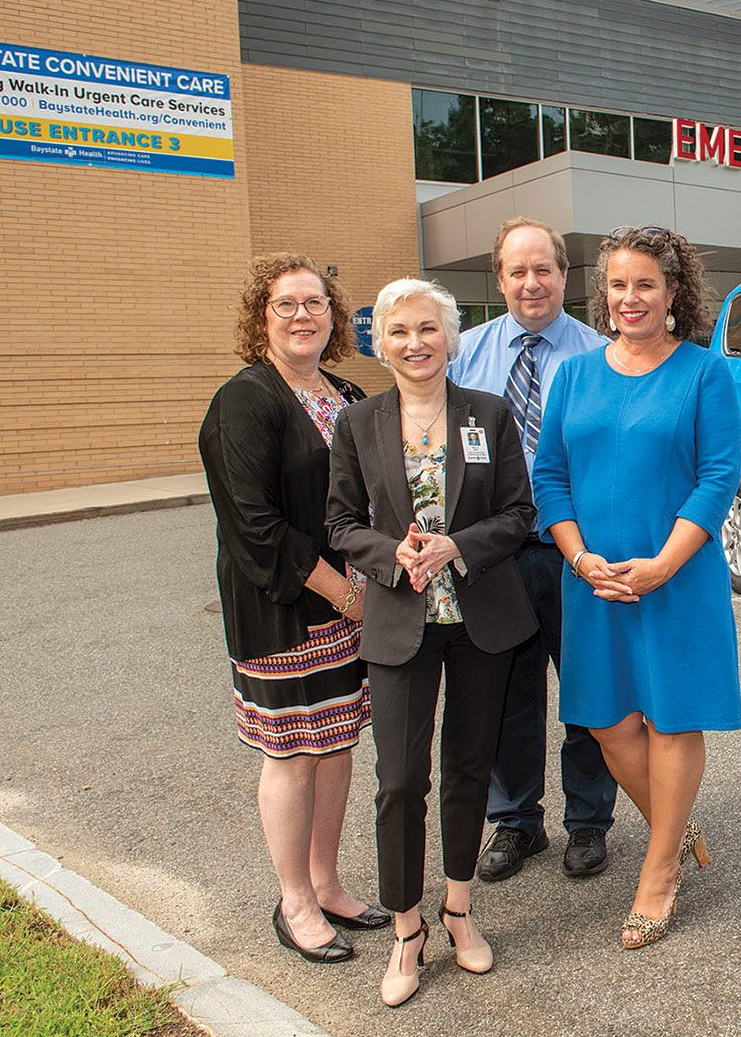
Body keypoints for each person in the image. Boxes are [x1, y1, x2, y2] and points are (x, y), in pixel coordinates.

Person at [325, 278, 539, 1007]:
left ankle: (458, 910)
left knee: (468, 770)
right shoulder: (358, 425)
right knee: (399, 781)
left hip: (480, 621)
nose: (415, 343)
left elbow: (518, 512)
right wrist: (394, 555)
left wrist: (457, 546)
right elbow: (340, 524)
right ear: (378, 343)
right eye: (399, 331)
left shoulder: (488, 413)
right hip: (398, 625)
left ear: (452, 339)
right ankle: (407, 931)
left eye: (428, 329)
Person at [531, 225, 741, 949]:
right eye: (618, 284)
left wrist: (661, 566)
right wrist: (581, 558)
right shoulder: (577, 375)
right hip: (593, 582)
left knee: (672, 720)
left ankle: (657, 878)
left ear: (673, 293)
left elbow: (718, 479)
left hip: (675, 579)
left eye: (645, 284)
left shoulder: (704, 374)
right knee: (607, 722)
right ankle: (675, 829)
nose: (630, 298)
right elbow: (549, 477)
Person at [199, 254, 387, 966]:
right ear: (261, 318)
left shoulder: (343, 392)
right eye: (286, 304)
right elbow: (255, 522)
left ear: (334, 316)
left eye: (315, 303)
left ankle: (328, 883)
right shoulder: (245, 401)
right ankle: (294, 903)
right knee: (293, 754)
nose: (303, 315)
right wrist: (345, 594)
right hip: (285, 611)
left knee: (336, 744)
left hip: (348, 610)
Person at [448, 217, 618, 882]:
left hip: (576, 551)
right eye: (517, 271)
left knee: (586, 691)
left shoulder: (598, 356)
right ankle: (516, 823)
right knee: (506, 696)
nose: (531, 283)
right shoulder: (465, 354)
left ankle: (587, 823)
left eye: (543, 268)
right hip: (497, 555)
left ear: (564, 276)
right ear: (500, 279)